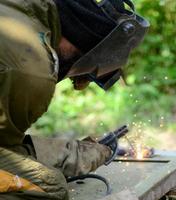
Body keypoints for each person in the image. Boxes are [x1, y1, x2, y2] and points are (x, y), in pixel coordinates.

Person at [0, 0, 149, 199]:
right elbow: (7, 149)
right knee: (49, 185)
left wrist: (68, 153)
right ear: (84, 47)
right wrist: (68, 157)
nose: (75, 82)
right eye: (80, 75)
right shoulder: (33, 69)